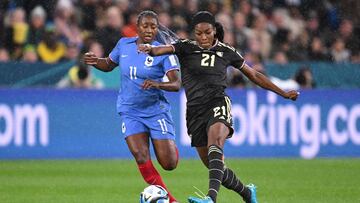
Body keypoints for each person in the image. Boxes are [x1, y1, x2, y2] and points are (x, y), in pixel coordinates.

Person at [138, 11, 299, 203]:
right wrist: (149, 48)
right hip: (195, 112)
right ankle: (247, 193)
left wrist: (283, 92)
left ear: (214, 31)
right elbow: (160, 50)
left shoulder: (227, 51)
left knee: (215, 144)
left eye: (207, 32)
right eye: (198, 33)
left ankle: (210, 198)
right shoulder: (185, 47)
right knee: (216, 168)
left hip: (218, 103)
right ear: (193, 33)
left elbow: (254, 75)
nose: (203, 37)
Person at [83, 10, 181, 203]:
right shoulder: (124, 45)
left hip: (155, 111)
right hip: (130, 111)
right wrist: (96, 62)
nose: (149, 30)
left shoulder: (163, 51)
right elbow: (109, 64)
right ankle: (169, 200)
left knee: (169, 163)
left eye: (153, 26)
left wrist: (157, 84)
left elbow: (176, 84)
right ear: (138, 27)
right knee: (141, 155)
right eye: (145, 26)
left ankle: (167, 144)